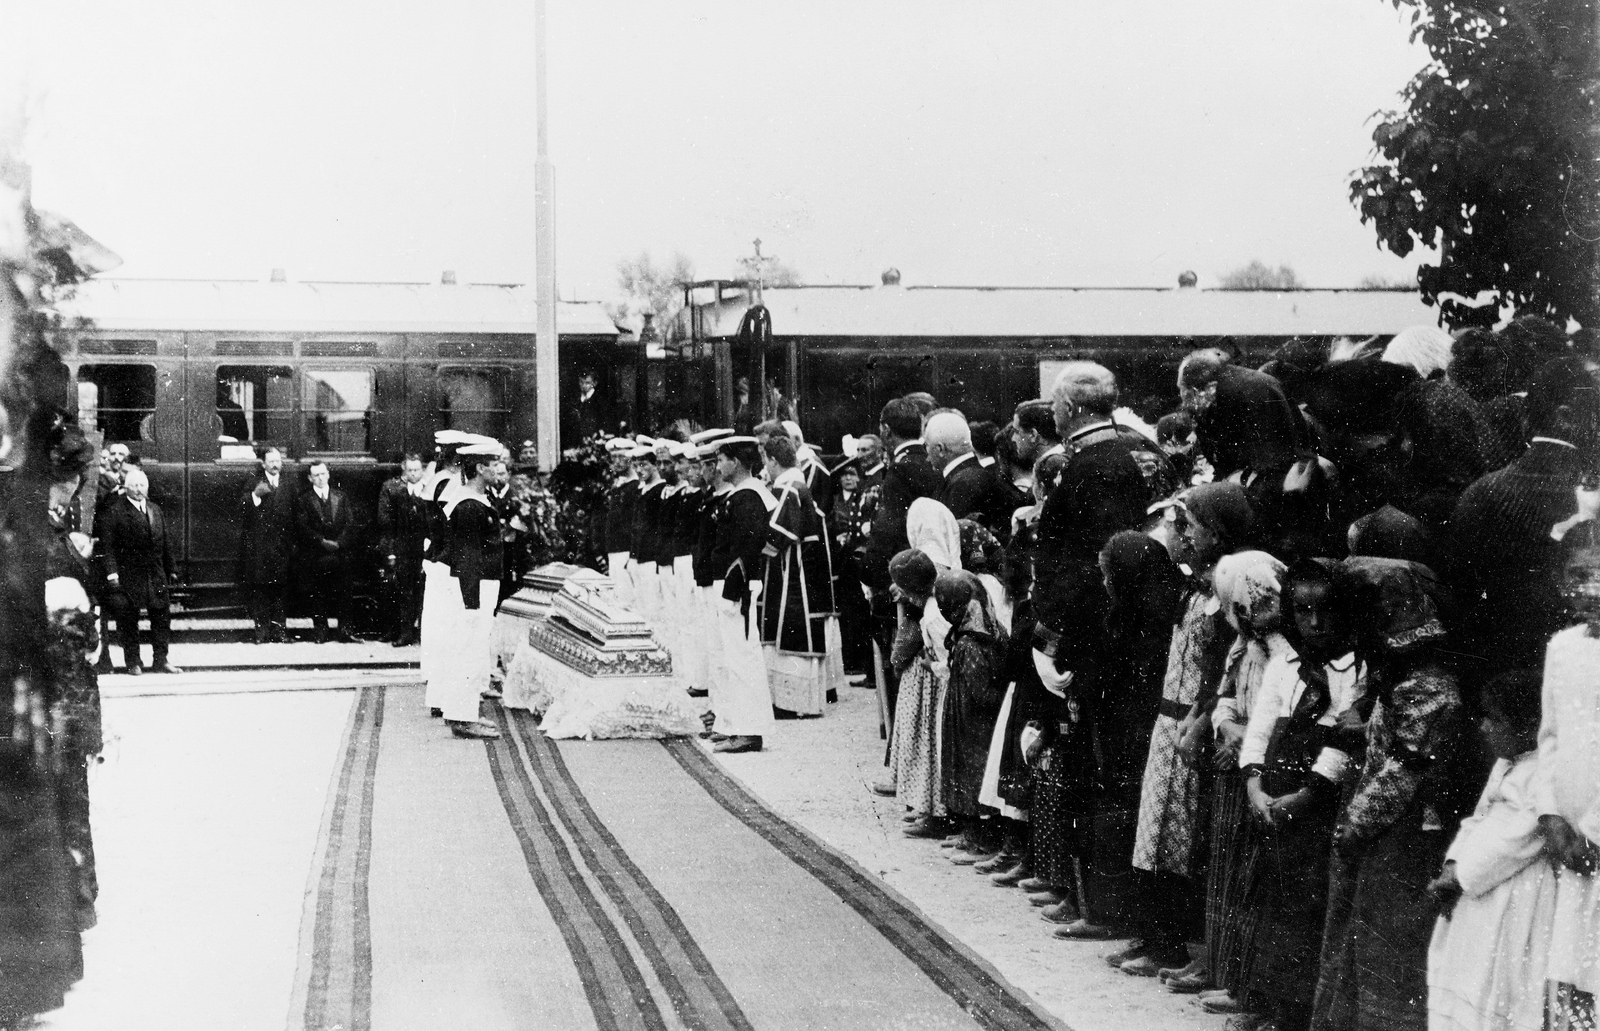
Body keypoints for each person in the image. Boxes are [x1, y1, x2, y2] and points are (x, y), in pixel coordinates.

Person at [1311, 557, 1467, 1031]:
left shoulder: (1428, 687)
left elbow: (1403, 771)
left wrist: (1354, 826)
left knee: (1386, 954)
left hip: (1403, 837)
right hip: (1381, 831)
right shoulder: (1402, 679)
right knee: (1357, 945)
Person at [1231, 559, 1366, 1030]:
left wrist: (1308, 795)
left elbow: (1343, 742)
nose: (1314, 622)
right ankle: (1267, 1001)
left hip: (1316, 802)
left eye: (1324, 610)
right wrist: (1254, 782)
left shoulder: (1353, 669)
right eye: (1303, 610)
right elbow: (1262, 724)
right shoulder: (1285, 664)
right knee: (1272, 898)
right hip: (1275, 793)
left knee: (1307, 906)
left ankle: (1295, 1014)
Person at [1449, 356, 1600, 679]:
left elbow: (1463, 599)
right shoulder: (1585, 488)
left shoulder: (1481, 493)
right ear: (1566, 417)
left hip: (1505, 673)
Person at [1426, 670, 1555, 1031]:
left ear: (1529, 725)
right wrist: (1452, 864)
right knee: (1464, 973)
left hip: (1512, 892)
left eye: (1493, 719)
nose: (1483, 728)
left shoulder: (1545, 773)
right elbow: (1478, 818)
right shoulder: (1504, 765)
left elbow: (1520, 838)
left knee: (1498, 979)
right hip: (1473, 888)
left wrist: (1463, 876)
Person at [1536, 522, 1600, 1031]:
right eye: (1578, 576)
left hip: (1596, 839)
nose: (1589, 588)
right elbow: (1550, 736)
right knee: (1573, 973)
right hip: (1572, 844)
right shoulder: (1563, 646)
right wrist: (1552, 814)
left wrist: (1593, 831)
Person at [705, 436, 779, 754]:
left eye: (721, 459)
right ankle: (732, 723)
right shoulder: (743, 494)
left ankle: (749, 731)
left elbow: (747, 550)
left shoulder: (748, 496)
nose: (718, 465)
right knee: (731, 657)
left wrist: (734, 591)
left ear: (735, 462)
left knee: (743, 658)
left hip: (740, 588)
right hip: (734, 585)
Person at [759, 434, 839, 717]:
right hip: (801, 570)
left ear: (772, 459)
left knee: (790, 634)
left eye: (765, 461)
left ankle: (790, 704)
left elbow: (776, 534)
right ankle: (792, 702)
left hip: (795, 574)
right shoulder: (795, 483)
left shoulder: (790, 486)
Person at [935, 569, 1009, 856]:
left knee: (975, 778)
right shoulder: (976, 634)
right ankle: (971, 832)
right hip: (968, 720)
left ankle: (983, 838)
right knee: (967, 777)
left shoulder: (971, 644)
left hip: (975, 723)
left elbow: (980, 692)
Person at [437, 444, 505, 740]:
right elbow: (467, 557)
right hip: (474, 588)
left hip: (483, 585)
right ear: (479, 468)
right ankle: (462, 717)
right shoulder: (467, 506)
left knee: (471, 649)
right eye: (494, 463)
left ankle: (462, 713)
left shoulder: (478, 499)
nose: (498, 469)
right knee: (467, 649)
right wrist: (471, 603)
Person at [1178, 350, 1307, 484]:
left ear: (1198, 389)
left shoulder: (1231, 396)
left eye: (1181, 389)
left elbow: (1268, 465)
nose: (1182, 397)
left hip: (1275, 481)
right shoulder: (1239, 383)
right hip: (1296, 472)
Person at [99, 466, 181, 674]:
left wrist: (172, 568)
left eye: (142, 485)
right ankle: (133, 662)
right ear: (126, 487)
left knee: (161, 617)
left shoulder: (155, 509)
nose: (138, 489)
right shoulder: (115, 511)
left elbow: (166, 543)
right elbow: (108, 547)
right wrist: (112, 573)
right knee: (129, 619)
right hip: (129, 574)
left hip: (155, 573)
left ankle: (161, 660)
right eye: (134, 485)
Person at [295, 460, 358, 643]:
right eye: (316, 475)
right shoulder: (304, 499)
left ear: (328, 474)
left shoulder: (341, 496)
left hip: (340, 553)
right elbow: (302, 527)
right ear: (310, 478)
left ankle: (345, 631)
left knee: (344, 593)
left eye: (323, 474)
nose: (320, 478)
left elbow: (350, 523)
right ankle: (320, 631)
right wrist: (321, 542)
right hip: (317, 554)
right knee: (318, 593)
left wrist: (339, 543)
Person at [238, 446, 295, 644]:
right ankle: (261, 634)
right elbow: (242, 508)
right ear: (263, 463)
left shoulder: (288, 484)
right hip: (260, 547)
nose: (275, 464)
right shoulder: (254, 481)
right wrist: (255, 495)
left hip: (281, 547)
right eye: (271, 461)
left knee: (279, 591)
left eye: (278, 461)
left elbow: (294, 513)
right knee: (261, 591)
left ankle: (280, 632)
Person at [926, 410, 1010, 535]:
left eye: (927, 445)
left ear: (940, 449)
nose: (926, 456)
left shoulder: (962, 484)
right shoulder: (972, 475)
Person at [376, 452, 430, 646]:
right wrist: (390, 550)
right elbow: (385, 521)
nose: (414, 474)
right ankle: (404, 632)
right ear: (404, 471)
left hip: (424, 548)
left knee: (425, 591)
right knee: (402, 590)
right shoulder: (392, 489)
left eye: (417, 470)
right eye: (410, 470)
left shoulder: (430, 490)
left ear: (423, 471)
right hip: (401, 548)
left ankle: (424, 633)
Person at [564, 368, 615, 447]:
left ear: (594, 383)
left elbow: (605, 421)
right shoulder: (575, 399)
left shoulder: (600, 400)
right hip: (576, 440)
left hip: (594, 439)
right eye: (581, 382)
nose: (583, 386)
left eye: (587, 383)